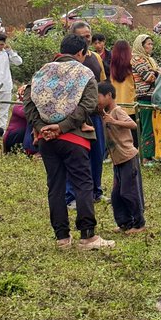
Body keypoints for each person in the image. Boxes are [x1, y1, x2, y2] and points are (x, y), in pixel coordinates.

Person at [24, 34, 113, 250]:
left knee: (55, 186)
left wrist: (41, 127)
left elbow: (29, 100)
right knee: (83, 184)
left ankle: (62, 238)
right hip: (75, 139)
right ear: (81, 52)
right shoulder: (84, 73)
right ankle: (88, 236)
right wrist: (63, 127)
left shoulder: (43, 71)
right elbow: (89, 104)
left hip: (46, 140)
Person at [98, 81, 145, 234]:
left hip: (128, 157)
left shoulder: (118, 111)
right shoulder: (104, 114)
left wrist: (114, 121)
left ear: (109, 95)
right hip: (117, 160)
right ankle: (124, 223)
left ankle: (139, 224)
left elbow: (133, 125)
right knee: (116, 195)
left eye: (98, 96)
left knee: (129, 192)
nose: (96, 99)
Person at [70, 22, 107, 199]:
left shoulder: (95, 58)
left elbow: (103, 82)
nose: (86, 39)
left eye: (88, 35)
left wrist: (104, 102)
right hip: (75, 116)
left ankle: (96, 191)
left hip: (96, 114)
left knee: (97, 154)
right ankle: (72, 195)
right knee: (76, 156)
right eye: (82, 36)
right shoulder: (68, 61)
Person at [131, 34, 161, 165]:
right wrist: (157, 73)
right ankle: (146, 157)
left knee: (152, 126)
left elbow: (159, 72)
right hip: (144, 96)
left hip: (152, 96)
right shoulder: (137, 59)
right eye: (148, 44)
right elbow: (149, 77)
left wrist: (157, 72)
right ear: (140, 46)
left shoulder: (149, 60)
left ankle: (150, 154)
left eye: (151, 44)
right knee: (147, 127)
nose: (151, 46)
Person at [109, 39, 136, 143]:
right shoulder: (132, 63)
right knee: (133, 133)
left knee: (120, 133)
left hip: (117, 103)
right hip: (130, 102)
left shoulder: (113, 66)